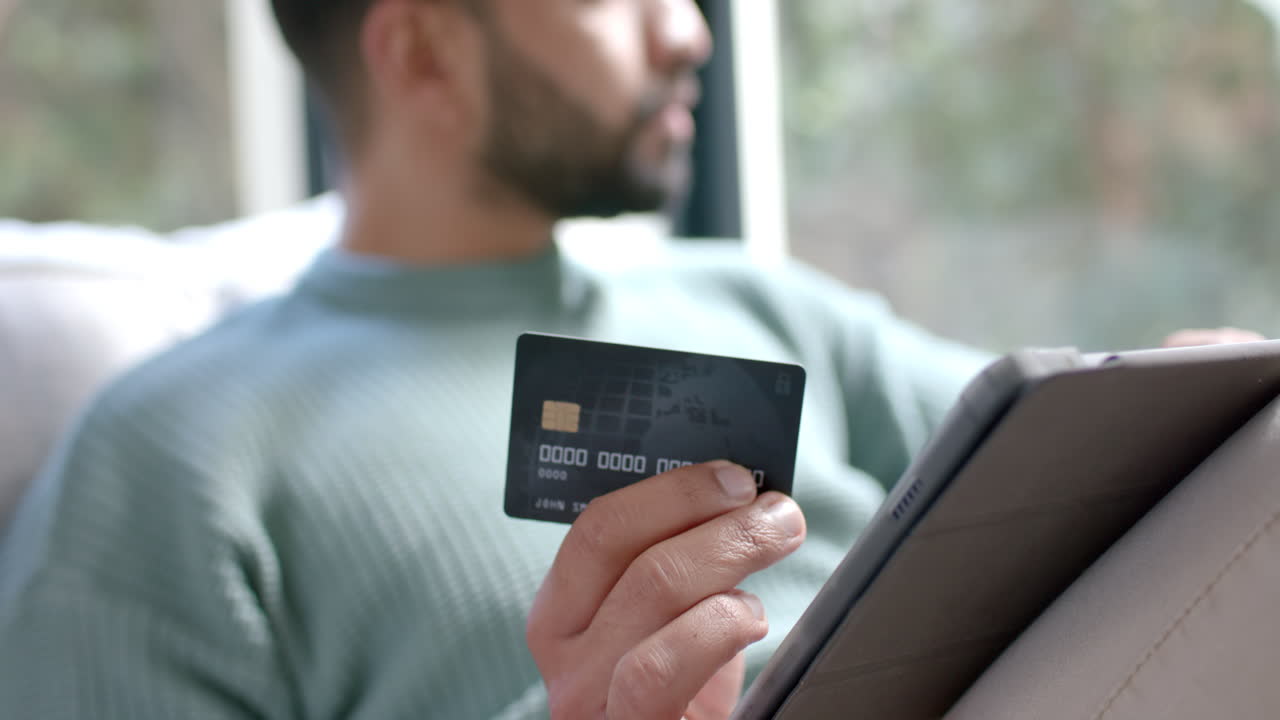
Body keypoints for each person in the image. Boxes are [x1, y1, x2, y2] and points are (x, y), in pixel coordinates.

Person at [0, 1, 1241, 718]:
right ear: (425, 52)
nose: (686, 29)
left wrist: (1203, 395)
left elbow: (1076, 467)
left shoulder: (753, 298)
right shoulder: (168, 460)